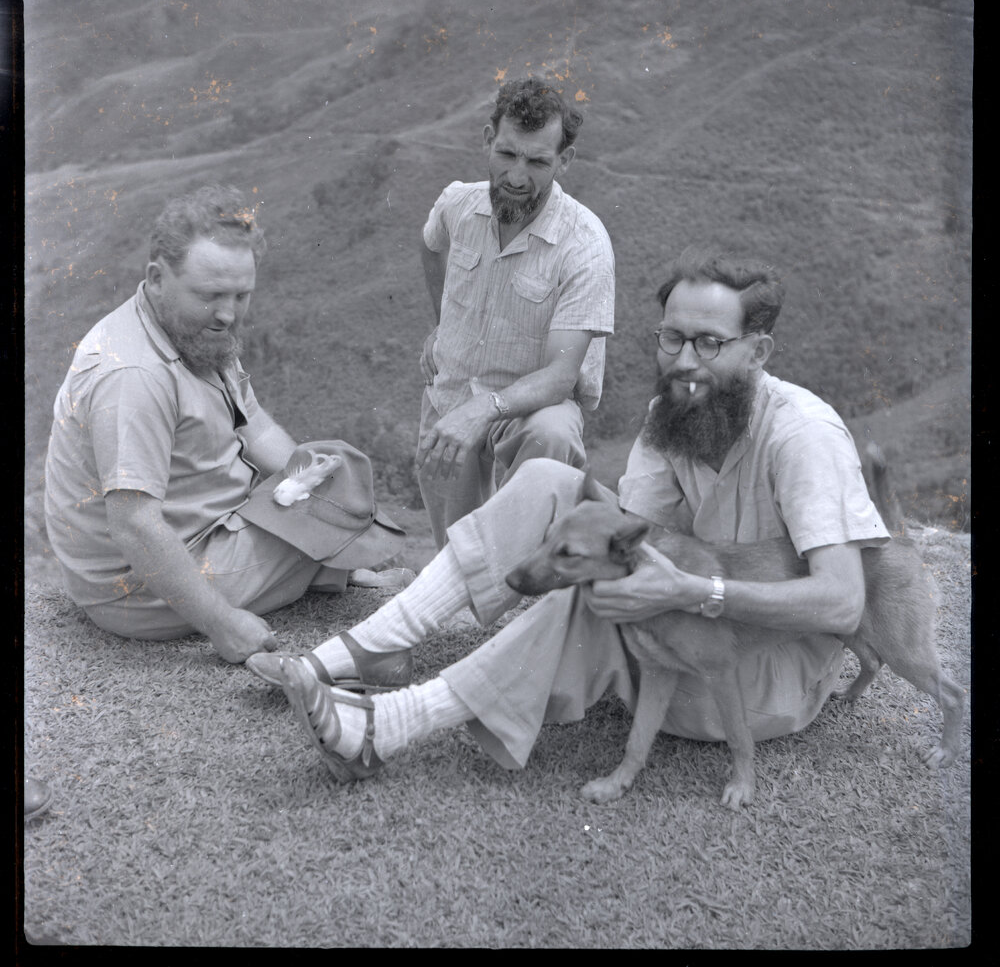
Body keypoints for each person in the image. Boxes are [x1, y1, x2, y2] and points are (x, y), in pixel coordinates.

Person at [250, 248, 889, 784]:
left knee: (593, 596)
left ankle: (386, 726)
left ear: (759, 351)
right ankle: (359, 650)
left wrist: (696, 590)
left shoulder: (803, 436)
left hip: (754, 678)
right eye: (673, 337)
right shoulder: (674, 415)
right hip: (675, 631)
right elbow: (626, 533)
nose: (685, 361)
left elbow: (842, 605)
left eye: (711, 343)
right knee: (550, 480)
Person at [44, 185, 412, 666]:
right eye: (211, 295)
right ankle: (330, 571)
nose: (228, 313)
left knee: (337, 470)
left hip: (204, 529)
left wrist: (317, 487)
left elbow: (254, 426)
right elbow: (134, 526)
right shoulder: (133, 375)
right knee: (343, 515)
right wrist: (222, 623)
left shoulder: (191, 330)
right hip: (136, 588)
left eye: (242, 295)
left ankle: (326, 565)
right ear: (156, 277)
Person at [416, 77, 616, 548]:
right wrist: (440, 327)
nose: (518, 177)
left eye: (538, 161)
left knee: (554, 434)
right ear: (488, 139)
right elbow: (430, 247)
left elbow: (560, 377)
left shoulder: (585, 246)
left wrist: (482, 412)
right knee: (453, 557)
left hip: (530, 406)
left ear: (563, 160)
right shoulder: (457, 205)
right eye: (507, 155)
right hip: (454, 390)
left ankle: (527, 558)